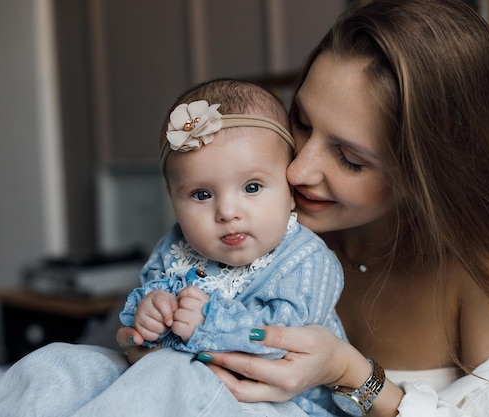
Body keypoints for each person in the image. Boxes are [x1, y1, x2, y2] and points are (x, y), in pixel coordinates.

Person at [0, 1, 489, 416]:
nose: (296, 170)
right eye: (300, 122)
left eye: (349, 158)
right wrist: (144, 337)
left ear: (427, 174)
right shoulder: (257, 225)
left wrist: (353, 373)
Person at [118, 78, 345, 414]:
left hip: (285, 403)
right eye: (201, 195)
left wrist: (208, 323)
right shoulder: (177, 248)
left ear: (290, 190)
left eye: (252, 187)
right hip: (192, 386)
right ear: (173, 199)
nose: (227, 212)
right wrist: (153, 312)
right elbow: (152, 291)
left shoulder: (305, 259)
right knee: (61, 363)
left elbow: (280, 338)